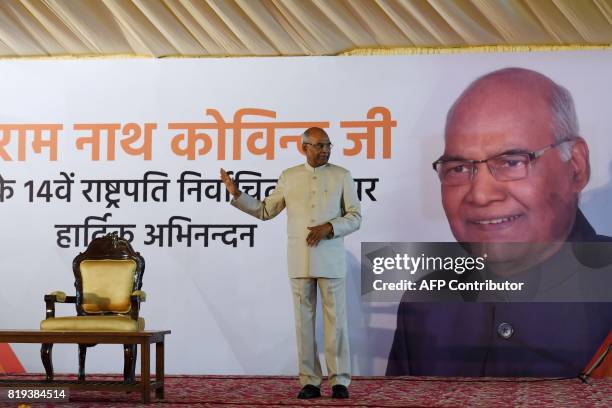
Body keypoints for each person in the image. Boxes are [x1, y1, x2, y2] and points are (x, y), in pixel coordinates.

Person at [387, 67, 612, 377]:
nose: (479, 195)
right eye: (458, 168)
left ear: (575, 166)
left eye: (511, 162)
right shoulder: (428, 303)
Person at [221, 127, 361, 398]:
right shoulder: (290, 177)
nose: (325, 150)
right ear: (304, 148)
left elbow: (355, 216)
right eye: (319, 146)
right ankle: (310, 381)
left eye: (328, 145)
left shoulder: (341, 175)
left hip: (330, 259)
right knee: (303, 323)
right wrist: (237, 194)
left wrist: (330, 226)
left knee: (337, 323)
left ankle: (339, 381)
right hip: (299, 260)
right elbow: (265, 210)